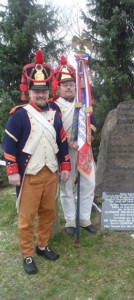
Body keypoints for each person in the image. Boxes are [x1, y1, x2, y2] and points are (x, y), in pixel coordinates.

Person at [3, 50, 71, 275]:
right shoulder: (18, 115)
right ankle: (27, 254)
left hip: (50, 173)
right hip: (29, 175)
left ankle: (42, 245)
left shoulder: (55, 114)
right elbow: (9, 145)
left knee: (48, 212)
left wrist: (65, 166)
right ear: (29, 91)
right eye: (36, 91)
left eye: (44, 91)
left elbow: (62, 143)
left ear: (47, 91)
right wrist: (12, 171)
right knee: (26, 218)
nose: (41, 95)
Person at [49, 55, 97, 236]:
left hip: (84, 149)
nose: (68, 87)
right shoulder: (52, 105)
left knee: (88, 183)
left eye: (71, 84)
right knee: (66, 186)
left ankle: (84, 218)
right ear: (59, 87)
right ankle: (70, 219)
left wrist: (85, 138)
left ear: (75, 85)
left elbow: (92, 122)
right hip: (65, 152)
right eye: (65, 84)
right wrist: (68, 142)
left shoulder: (84, 103)